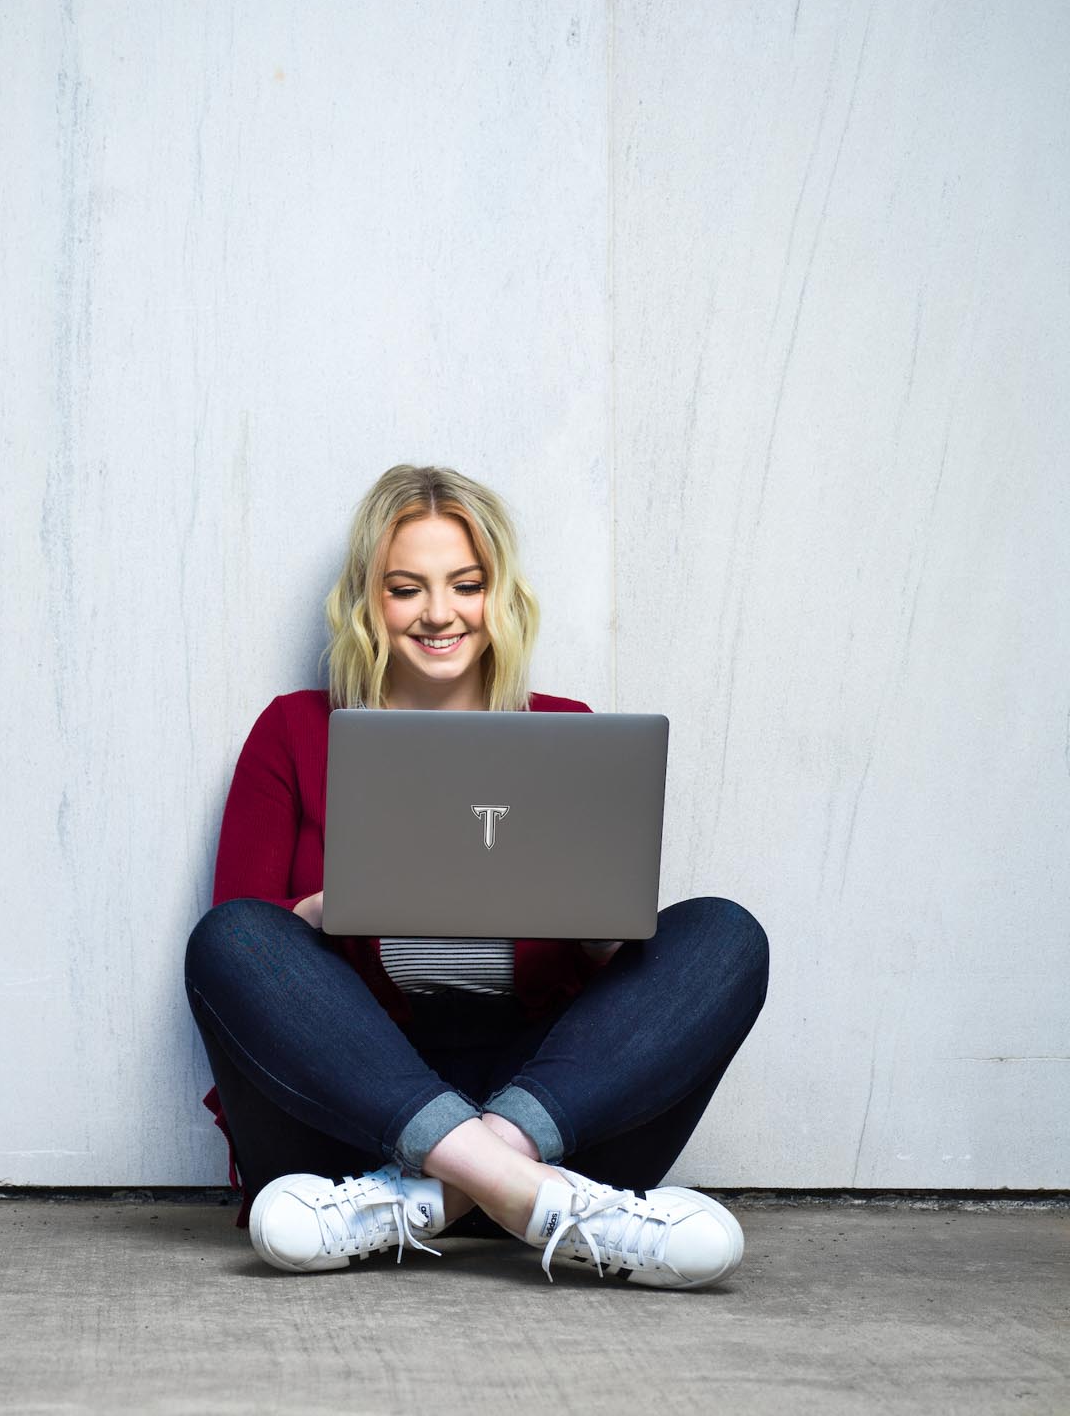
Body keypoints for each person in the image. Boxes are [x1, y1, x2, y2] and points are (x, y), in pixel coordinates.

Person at [183, 465, 769, 1289]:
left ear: (498, 595)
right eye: (405, 587)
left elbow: (615, 989)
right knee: (232, 936)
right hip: (348, 1113)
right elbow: (240, 955)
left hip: (546, 1103)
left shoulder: (566, 733)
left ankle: (431, 1197)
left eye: (465, 583)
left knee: (724, 936)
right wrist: (321, 909)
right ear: (367, 601)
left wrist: (600, 938)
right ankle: (534, 1201)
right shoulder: (292, 730)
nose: (438, 612)